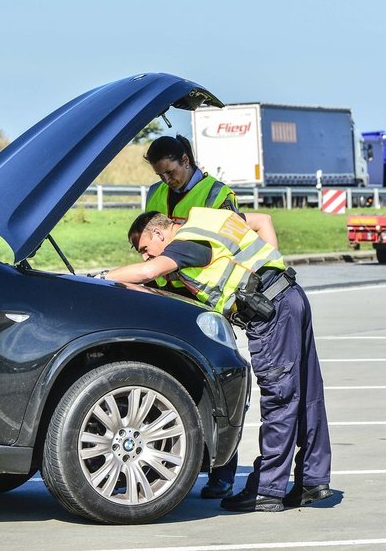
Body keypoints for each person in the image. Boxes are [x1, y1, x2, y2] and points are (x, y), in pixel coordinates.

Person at [104, 208, 332, 512]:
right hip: (290, 295)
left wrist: (102, 278)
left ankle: (267, 489)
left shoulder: (186, 243)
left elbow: (149, 272)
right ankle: (312, 481)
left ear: (159, 232)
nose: (146, 256)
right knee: (307, 394)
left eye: (145, 248)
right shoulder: (209, 219)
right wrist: (268, 274)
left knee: (280, 397)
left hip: (271, 313)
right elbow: (263, 220)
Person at [143, 134, 240, 499]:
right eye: (160, 174)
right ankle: (161, 471)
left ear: (186, 160)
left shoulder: (218, 196)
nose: (167, 181)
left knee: (216, 387)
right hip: (167, 297)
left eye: (170, 172)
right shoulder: (155, 193)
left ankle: (223, 473)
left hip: (206, 301)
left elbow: (232, 244)